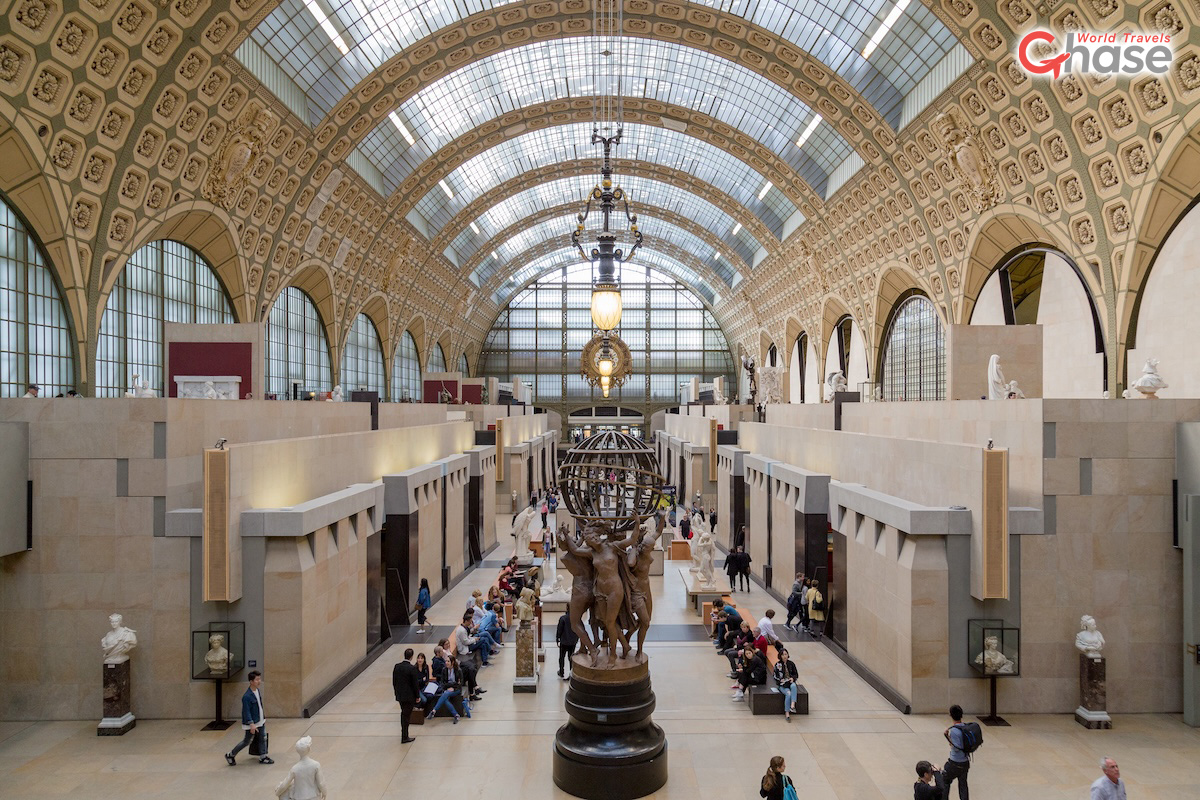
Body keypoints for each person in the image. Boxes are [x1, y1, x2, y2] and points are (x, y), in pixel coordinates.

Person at [225, 671, 273, 765]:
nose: (259, 681)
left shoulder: (257, 691)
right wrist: (251, 724)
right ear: (251, 681)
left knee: (263, 738)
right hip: (253, 723)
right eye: (257, 679)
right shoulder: (246, 697)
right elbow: (246, 711)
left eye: (259, 679)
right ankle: (230, 754)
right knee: (247, 741)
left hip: (260, 720)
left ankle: (263, 756)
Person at [274, 736, 327, 800]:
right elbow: (321, 783)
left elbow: (285, 784)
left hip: (300, 797)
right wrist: (324, 792)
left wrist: (277, 792)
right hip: (314, 796)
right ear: (309, 749)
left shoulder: (295, 768)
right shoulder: (316, 765)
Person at [427, 653, 470, 723]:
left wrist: (453, 687)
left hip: (456, 690)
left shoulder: (458, 670)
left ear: (452, 662)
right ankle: (456, 715)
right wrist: (450, 685)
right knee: (445, 699)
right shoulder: (444, 670)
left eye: (448, 661)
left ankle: (434, 710)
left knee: (445, 695)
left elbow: (460, 683)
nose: (446, 663)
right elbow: (442, 683)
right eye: (446, 661)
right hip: (447, 689)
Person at [391, 649, 422, 744]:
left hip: (400, 695)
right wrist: (417, 696)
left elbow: (394, 681)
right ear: (412, 657)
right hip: (409, 696)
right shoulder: (411, 668)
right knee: (406, 716)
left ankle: (404, 734)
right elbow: (415, 684)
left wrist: (396, 692)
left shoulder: (397, 667)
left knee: (404, 714)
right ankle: (405, 736)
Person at [942, 705, 970, 799]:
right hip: (965, 762)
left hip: (955, 762)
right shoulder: (965, 727)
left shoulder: (954, 731)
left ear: (951, 715)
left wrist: (948, 737)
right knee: (963, 785)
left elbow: (956, 747)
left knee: (944, 781)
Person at [774, 648, 800, 722]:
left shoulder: (791, 664)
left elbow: (796, 674)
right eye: (783, 655)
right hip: (783, 685)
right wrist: (780, 680)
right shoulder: (778, 664)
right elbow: (775, 676)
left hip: (790, 682)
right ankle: (787, 712)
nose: (784, 656)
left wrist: (793, 678)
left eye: (786, 654)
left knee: (794, 686)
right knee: (788, 693)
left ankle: (792, 705)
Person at [556, 611, 578, 679]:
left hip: (564, 641)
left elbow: (559, 630)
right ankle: (571, 672)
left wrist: (557, 638)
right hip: (573, 642)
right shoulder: (576, 619)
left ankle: (561, 671)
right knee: (570, 657)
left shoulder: (563, 618)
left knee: (562, 657)